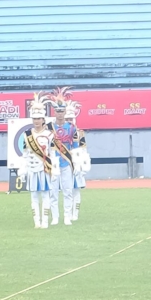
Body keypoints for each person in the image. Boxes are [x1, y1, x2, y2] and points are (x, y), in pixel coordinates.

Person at [19, 104, 59, 228]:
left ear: (43, 120)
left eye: (39, 118)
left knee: (46, 195)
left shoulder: (49, 135)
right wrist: (22, 170)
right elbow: (24, 154)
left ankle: (45, 221)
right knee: (34, 197)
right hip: (31, 170)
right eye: (34, 119)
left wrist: (54, 170)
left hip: (44, 169)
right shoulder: (27, 135)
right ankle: (37, 221)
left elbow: (52, 154)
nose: (36, 121)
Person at [52, 97, 87, 226]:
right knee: (53, 192)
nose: (60, 113)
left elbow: (76, 147)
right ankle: (55, 217)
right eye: (57, 111)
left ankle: (67, 216)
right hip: (53, 163)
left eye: (62, 111)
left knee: (67, 191)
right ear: (54, 112)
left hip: (67, 162)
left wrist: (76, 164)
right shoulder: (50, 127)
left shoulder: (71, 128)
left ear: (64, 112)